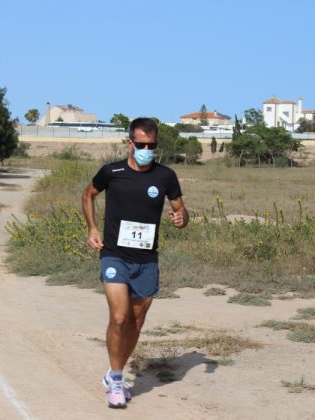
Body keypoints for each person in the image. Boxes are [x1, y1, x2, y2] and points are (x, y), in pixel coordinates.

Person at [82, 117, 188, 409]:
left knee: (136, 322)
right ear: (130, 143)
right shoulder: (111, 171)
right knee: (119, 317)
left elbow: (181, 211)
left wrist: (181, 219)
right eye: (140, 144)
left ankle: (112, 371)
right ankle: (116, 378)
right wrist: (92, 228)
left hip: (146, 260)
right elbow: (88, 194)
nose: (145, 149)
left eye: (151, 145)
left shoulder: (165, 176)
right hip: (115, 255)